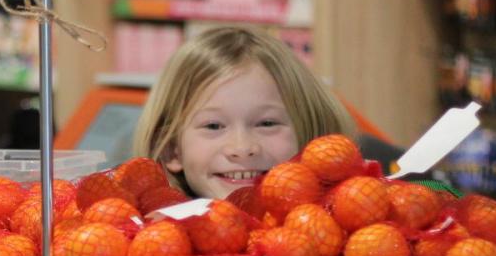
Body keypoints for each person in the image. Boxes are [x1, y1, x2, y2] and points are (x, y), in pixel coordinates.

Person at [133, 26, 357, 200]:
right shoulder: (150, 238)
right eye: (213, 126)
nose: (242, 149)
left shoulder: (343, 236)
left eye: (267, 123)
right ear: (172, 150)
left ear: (312, 137)